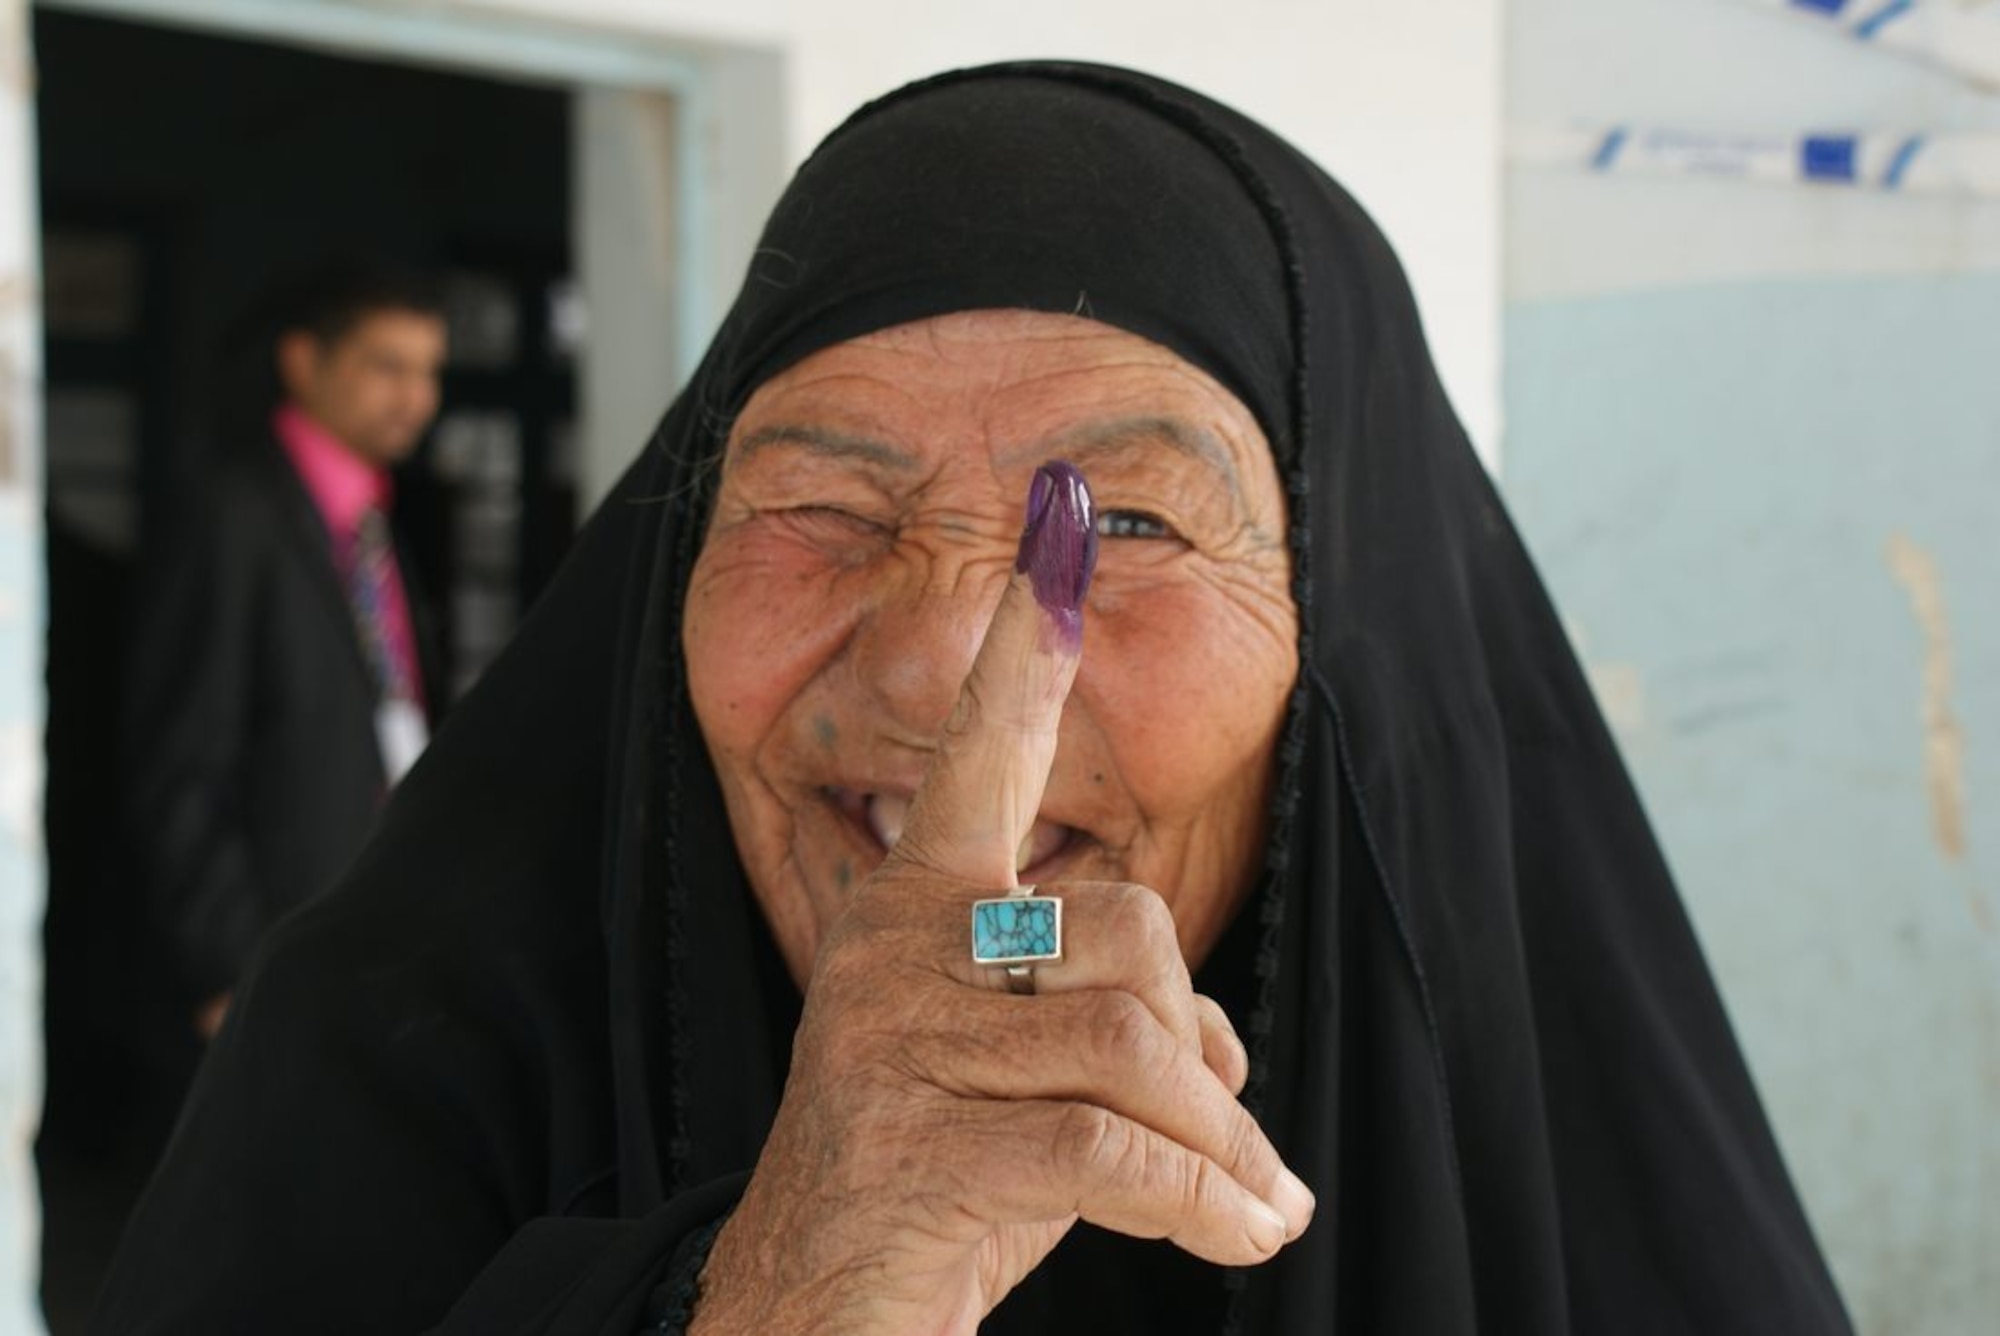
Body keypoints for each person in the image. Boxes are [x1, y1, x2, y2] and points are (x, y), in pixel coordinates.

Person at [95, 63, 1853, 1334]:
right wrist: (792, 1287)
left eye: (1129, 522)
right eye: (822, 509)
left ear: (1345, 644)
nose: (947, 665)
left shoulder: (1565, 1164)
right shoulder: (379, 1077)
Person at [122, 260, 447, 1039]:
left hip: (369, 929)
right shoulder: (235, 516)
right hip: (268, 959)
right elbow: (180, 762)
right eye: (386, 367)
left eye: (429, 371)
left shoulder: (375, 521)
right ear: (303, 363)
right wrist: (227, 965)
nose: (416, 398)